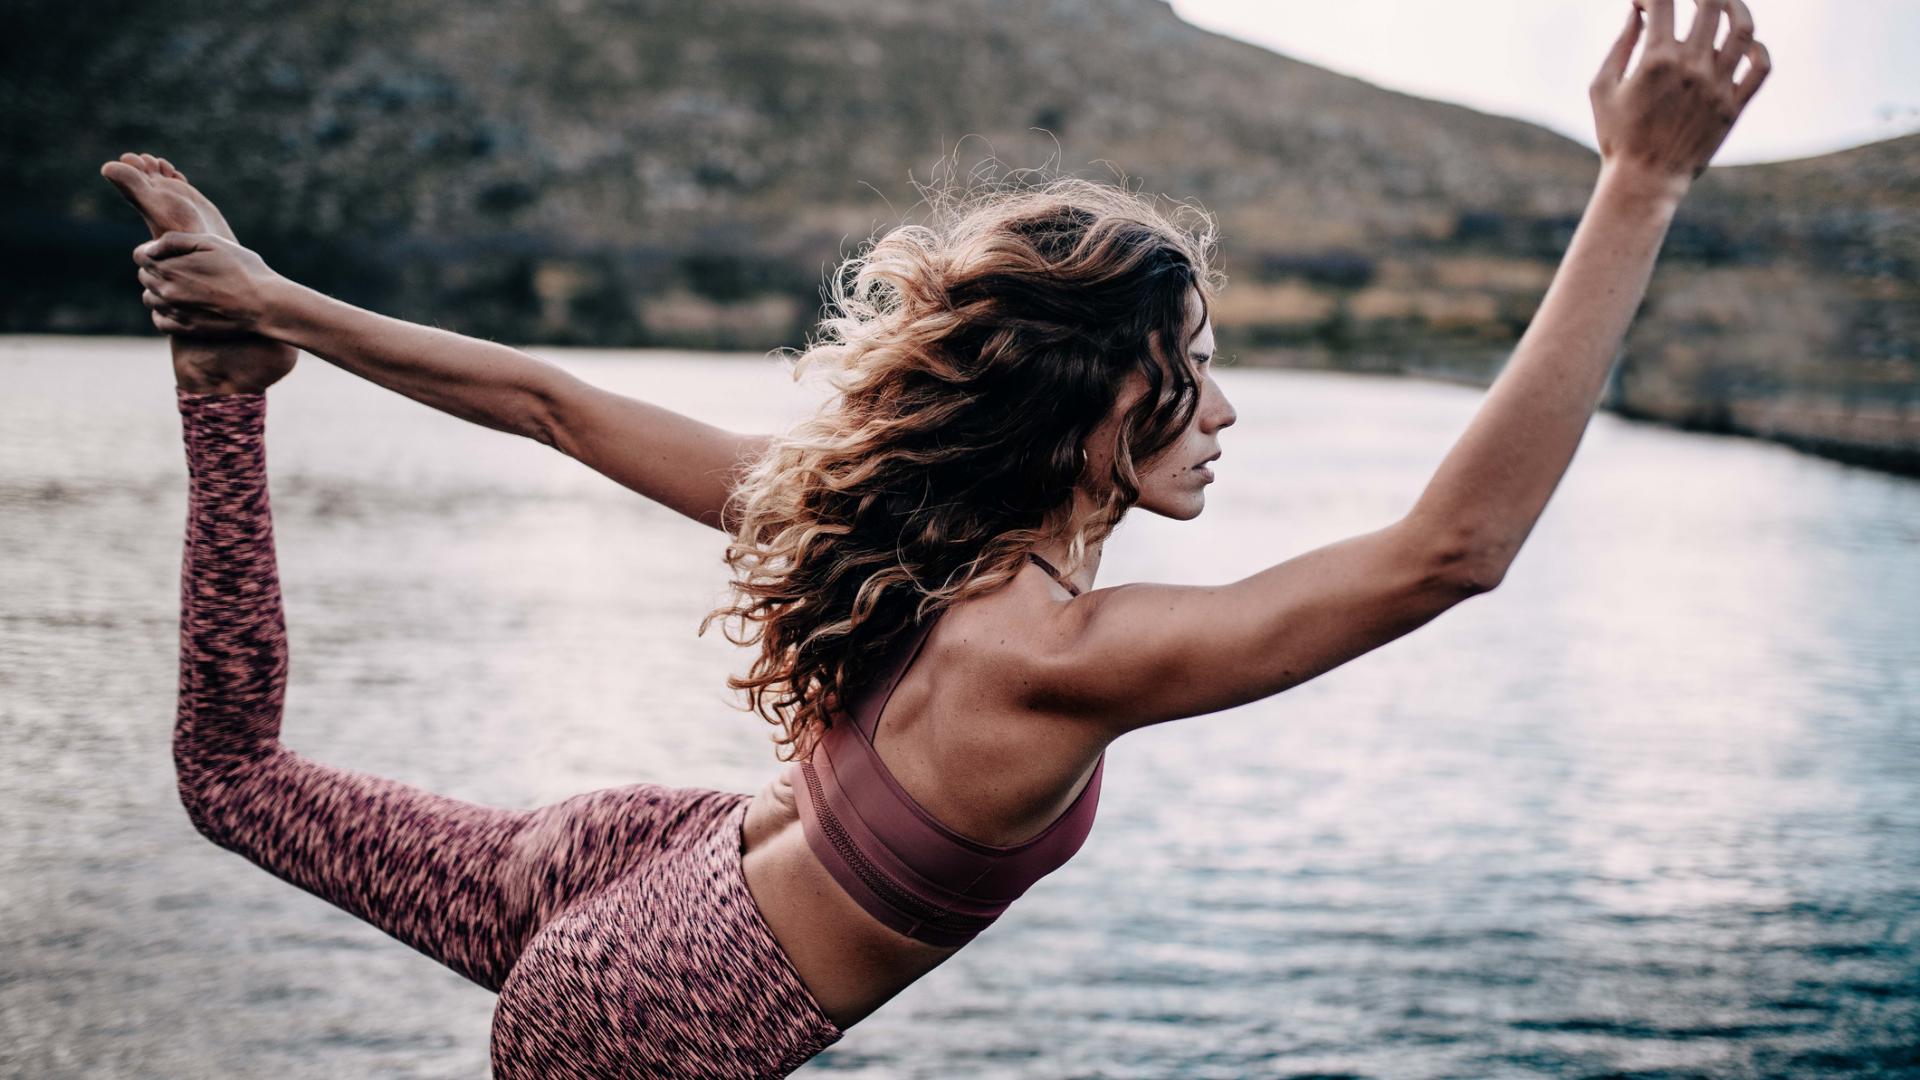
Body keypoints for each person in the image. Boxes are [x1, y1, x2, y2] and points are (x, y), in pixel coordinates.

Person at [103, 2, 1768, 1074]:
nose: (1227, 419)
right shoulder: (1048, 659)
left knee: (235, 784)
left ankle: (224, 391)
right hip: (657, 1020)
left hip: (626, 864)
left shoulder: (890, 527)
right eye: (1195, 382)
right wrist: (1639, 184)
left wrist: (274, 307)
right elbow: (1447, 553)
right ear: (1098, 401)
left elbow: (547, 404)